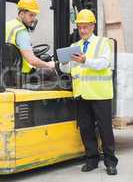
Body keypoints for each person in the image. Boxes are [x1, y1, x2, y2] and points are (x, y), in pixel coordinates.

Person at [60, 9, 118, 175]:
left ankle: (110, 162)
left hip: (100, 94)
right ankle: (92, 160)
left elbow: (104, 63)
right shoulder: (73, 47)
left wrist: (85, 60)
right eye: (80, 27)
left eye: (86, 27)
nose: (83, 30)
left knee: (105, 129)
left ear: (93, 26)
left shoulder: (103, 43)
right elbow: (68, 69)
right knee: (86, 129)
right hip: (82, 94)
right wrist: (64, 62)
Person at [6, 0, 55, 85]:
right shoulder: (21, 31)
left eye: (35, 15)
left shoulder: (8, 25)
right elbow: (32, 60)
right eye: (31, 15)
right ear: (21, 14)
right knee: (51, 72)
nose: (33, 19)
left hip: (6, 74)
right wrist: (50, 65)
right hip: (21, 76)